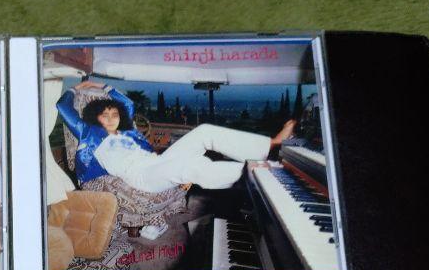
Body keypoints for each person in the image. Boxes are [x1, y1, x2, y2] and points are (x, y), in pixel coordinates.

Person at [56, 80, 295, 207]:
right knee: (190, 166)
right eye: (104, 115)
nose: (111, 119)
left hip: (157, 162)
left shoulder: (127, 131)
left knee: (204, 131)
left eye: (114, 114)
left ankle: (271, 145)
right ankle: (257, 175)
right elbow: (63, 107)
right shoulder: (89, 133)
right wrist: (76, 89)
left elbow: (128, 104)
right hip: (142, 177)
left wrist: (103, 87)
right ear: (95, 118)